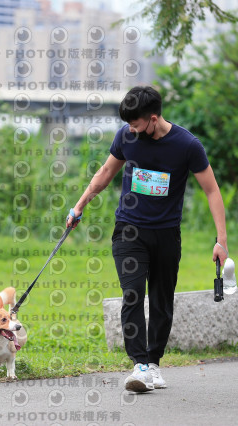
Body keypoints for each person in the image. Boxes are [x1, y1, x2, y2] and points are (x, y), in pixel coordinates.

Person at [66, 86, 228, 393]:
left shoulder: (187, 145)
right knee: (132, 293)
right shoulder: (126, 137)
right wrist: (79, 205)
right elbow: (105, 173)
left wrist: (222, 241)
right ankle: (138, 364)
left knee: (162, 300)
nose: (130, 129)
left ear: (153, 119)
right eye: (127, 123)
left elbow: (212, 191)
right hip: (129, 230)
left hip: (167, 234)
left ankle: (154, 363)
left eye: (136, 123)